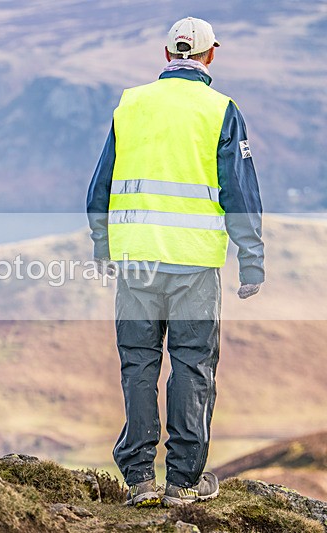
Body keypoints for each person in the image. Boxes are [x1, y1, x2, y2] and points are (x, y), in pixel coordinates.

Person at [86, 17, 265, 507]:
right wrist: (252, 260)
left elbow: (100, 186)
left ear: (167, 56)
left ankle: (140, 480)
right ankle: (183, 483)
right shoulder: (221, 110)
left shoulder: (131, 104)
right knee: (192, 366)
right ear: (210, 56)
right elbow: (240, 191)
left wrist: (103, 248)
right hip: (194, 266)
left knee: (138, 363)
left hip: (136, 261)